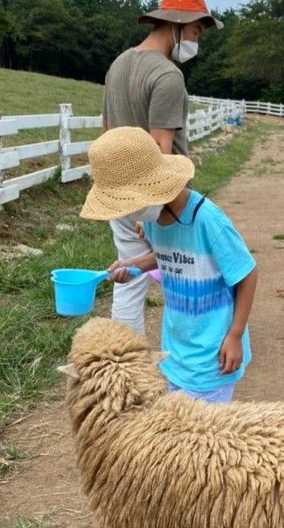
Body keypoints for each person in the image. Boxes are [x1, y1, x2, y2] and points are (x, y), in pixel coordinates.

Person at [80, 127, 257, 404]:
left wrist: (234, 336)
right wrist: (133, 265)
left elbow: (246, 273)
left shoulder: (207, 221)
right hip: (176, 350)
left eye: (127, 205)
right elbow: (167, 255)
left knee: (201, 438)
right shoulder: (152, 220)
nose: (127, 215)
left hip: (212, 355)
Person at [101, 0, 223, 336]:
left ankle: (124, 358)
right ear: (178, 24)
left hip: (120, 190)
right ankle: (196, 348)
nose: (196, 41)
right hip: (158, 197)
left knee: (130, 277)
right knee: (187, 267)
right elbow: (160, 149)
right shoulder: (167, 76)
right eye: (197, 31)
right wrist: (163, 208)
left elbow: (107, 131)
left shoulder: (118, 65)